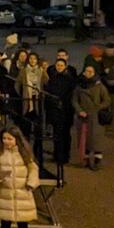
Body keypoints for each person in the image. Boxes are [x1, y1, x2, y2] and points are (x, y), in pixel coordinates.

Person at [44, 57, 77, 185]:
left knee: (65, 134)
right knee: (57, 134)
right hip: (55, 111)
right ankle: (57, 155)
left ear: (65, 66)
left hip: (66, 111)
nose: (59, 67)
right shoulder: (52, 79)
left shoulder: (70, 80)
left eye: (61, 65)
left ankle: (65, 155)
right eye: (57, 65)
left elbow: (71, 95)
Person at [73, 64, 110, 169]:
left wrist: (98, 107)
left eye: (91, 72)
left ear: (94, 73)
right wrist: (79, 111)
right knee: (84, 139)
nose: (88, 73)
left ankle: (97, 161)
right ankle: (86, 160)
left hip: (96, 117)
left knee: (96, 140)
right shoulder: (79, 86)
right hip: (83, 117)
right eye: (86, 71)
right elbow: (75, 100)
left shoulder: (100, 86)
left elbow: (107, 100)